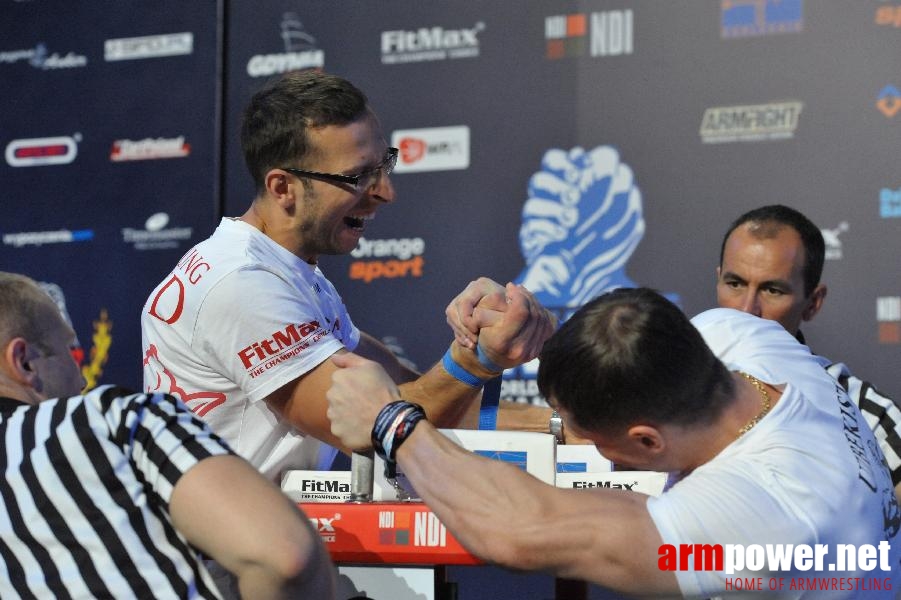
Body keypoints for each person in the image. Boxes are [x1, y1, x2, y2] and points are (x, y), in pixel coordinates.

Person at [327, 287, 901, 598]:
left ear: (646, 441)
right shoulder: (744, 340)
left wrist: (392, 422)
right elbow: (629, 347)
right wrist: (539, 334)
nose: (587, 449)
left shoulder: (766, 519)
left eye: (594, 442)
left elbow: (522, 531)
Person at [140, 70, 557, 482]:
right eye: (358, 177)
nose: (384, 192)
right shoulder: (241, 284)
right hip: (214, 550)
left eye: (384, 165)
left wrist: (565, 429)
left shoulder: (283, 271)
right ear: (283, 188)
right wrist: (475, 360)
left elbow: (412, 395)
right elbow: (377, 428)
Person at [0, 272, 335, 599]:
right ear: (24, 362)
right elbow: (285, 555)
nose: (83, 378)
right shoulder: (111, 419)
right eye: (70, 351)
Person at [717, 204, 901, 499]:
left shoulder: (867, 414)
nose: (747, 309)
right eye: (735, 283)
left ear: (813, 302)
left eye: (772, 290)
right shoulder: (663, 389)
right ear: (718, 279)